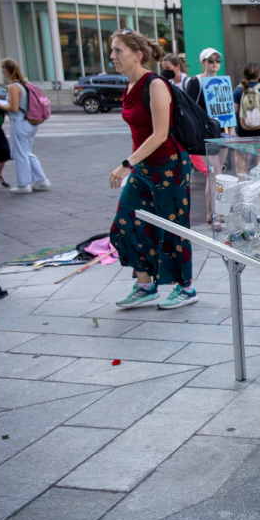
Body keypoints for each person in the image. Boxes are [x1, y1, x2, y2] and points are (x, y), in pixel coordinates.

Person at [106, 29, 197, 311]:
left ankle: (186, 288)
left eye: (118, 51)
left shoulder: (155, 84)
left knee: (172, 226)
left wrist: (126, 164)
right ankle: (146, 285)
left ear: (137, 55)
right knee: (125, 222)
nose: (112, 56)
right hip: (144, 167)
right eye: (112, 50)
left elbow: (160, 134)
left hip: (170, 166)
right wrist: (134, 163)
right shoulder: (130, 86)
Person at [0, 58, 51, 193]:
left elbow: (14, 108)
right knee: (27, 153)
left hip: (19, 122)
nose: (2, 71)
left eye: (2, 68)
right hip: (31, 122)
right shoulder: (25, 84)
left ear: (6, 70)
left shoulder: (13, 86)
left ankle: (23, 184)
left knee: (20, 154)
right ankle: (41, 180)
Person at [233, 61, 260, 137]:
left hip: (242, 132)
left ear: (244, 74)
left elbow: (234, 110)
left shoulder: (238, 89)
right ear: (259, 74)